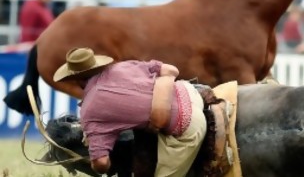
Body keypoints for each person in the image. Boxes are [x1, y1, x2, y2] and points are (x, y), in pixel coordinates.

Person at [53, 48, 207, 176]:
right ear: (95, 64)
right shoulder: (122, 66)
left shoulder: (90, 111)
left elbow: (101, 162)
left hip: (189, 124)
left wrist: (97, 165)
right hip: (189, 92)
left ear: (75, 79)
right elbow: (171, 70)